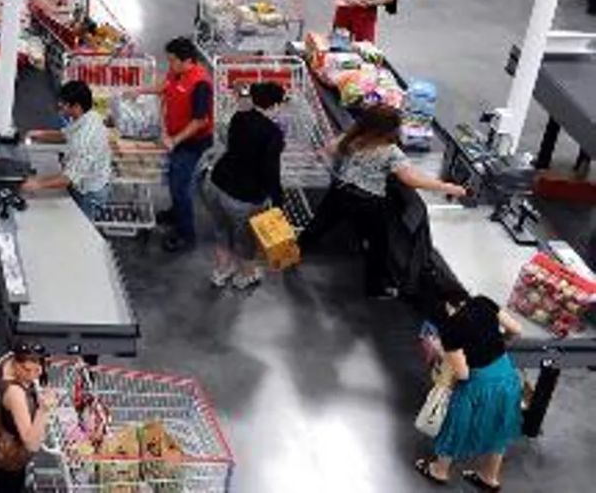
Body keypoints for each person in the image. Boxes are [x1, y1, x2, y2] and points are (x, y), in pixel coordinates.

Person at [299, 105, 466, 298]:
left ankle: (291, 253)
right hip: (367, 202)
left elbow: (327, 150)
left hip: (340, 192)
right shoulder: (390, 151)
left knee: (317, 226)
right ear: (388, 130)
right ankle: (374, 288)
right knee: (378, 246)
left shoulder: (352, 137)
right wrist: (450, 188)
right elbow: (412, 179)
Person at [416, 281, 526, 490]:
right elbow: (516, 330)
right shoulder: (483, 302)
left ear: (446, 306)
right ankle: (489, 478)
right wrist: (499, 342)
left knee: (455, 426)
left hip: (478, 384)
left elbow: (463, 373)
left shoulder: (450, 329)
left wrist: (441, 350)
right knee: (499, 427)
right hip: (506, 375)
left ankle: (439, 471)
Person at [202, 81, 285, 290]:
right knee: (246, 239)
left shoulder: (240, 117)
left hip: (216, 183)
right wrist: (277, 201)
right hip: (243, 195)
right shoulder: (273, 133)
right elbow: (270, 171)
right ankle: (246, 276)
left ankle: (221, 272)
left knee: (221, 230)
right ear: (275, 105)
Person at [134, 37, 213, 253]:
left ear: (186, 60)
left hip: (192, 143)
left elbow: (200, 121)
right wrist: (140, 91)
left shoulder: (200, 84)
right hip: (176, 137)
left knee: (180, 186)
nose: (168, 64)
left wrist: (174, 140)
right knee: (172, 177)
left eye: (171, 60)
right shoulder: (177, 72)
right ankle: (174, 212)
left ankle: (186, 234)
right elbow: (164, 85)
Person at [21, 80, 113, 219]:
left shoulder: (84, 139)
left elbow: (69, 178)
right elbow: (66, 135)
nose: (59, 106)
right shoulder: (89, 116)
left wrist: (37, 183)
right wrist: (38, 135)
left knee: (81, 231)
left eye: (64, 104)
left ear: (76, 106)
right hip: (81, 182)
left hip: (88, 192)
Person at [0, 343, 53, 493]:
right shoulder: (15, 393)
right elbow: (31, 443)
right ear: (16, 363)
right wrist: (43, 410)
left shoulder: (5, 360)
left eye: (38, 369)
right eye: (27, 369)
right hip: (10, 458)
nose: (33, 375)